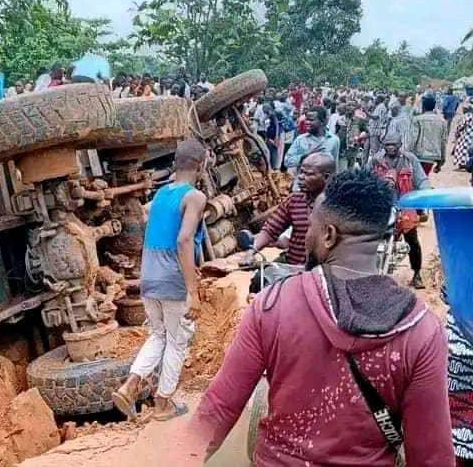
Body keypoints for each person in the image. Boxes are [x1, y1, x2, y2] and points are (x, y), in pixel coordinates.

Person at [184, 170, 454, 466]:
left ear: (328, 235)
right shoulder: (421, 330)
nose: (306, 235)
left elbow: (217, 411)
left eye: (311, 226)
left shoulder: (273, 306)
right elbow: (431, 455)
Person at [113, 139, 207, 422]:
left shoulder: (161, 194)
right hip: (172, 278)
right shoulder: (194, 197)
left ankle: (130, 385)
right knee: (178, 341)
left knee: (158, 335)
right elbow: (184, 239)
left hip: (149, 276)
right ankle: (163, 403)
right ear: (201, 166)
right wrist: (192, 291)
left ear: (175, 164)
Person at [244, 152, 335, 267]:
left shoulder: (336, 206)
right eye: (301, 172)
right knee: (261, 276)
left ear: (326, 177)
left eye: (308, 174)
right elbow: (271, 229)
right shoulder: (294, 200)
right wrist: (252, 251)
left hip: (321, 270)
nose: (301, 177)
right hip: (291, 264)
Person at [369, 134, 431, 289]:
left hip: (405, 204)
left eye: (394, 144)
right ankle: (373, 273)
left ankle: (417, 274)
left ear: (400, 144)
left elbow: (421, 179)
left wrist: (426, 192)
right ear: (383, 145)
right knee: (375, 239)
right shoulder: (376, 160)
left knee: (412, 240)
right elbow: (366, 178)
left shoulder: (410, 160)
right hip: (383, 204)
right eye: (387, 145)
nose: (390, 147)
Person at [284, 106, 340, 182]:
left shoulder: (333, 140)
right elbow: (287, 161)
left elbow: (334, 165)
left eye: (311, 120)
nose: (307, 122)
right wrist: (304, 157)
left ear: (322, 121)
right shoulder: (300, 139)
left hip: (322, 185)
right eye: (306, 119)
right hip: (302, 183)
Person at [408, 94, 448, 175]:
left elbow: (413, 139)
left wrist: (408, 156)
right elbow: (443, 142)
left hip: (419, 155)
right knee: (424, 177)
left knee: (417, 178)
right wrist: (441, 162)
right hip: (432, 157)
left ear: (423, 106)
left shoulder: (417, 120)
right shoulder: (442, 121)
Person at [368, 94, 388, 161]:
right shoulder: (379, 106)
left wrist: (366, 112)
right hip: (375, 130)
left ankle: (375, 164)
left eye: (376, 99)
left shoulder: (381, 107)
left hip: (375, 130)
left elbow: (375, 117)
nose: (375, 100)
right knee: (375, 149)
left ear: (379, 99)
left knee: (375, 150)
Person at [453, 102, 473, 170]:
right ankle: (468, 165)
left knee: (462, 150)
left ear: (467, 109)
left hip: (465, 136)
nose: (463, 110)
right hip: (471, 136)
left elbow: (461, 126)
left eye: (464, 109)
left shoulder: (466, 116)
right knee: (469, 151)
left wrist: (457, 132)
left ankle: (462, 165)